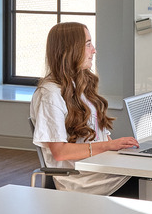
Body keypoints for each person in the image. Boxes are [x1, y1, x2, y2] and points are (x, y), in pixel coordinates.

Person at [28, 21, 140, 196]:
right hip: (84, 182)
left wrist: (119, 148)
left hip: (102, 170)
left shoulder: (80, 83)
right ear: (69, 50)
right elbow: (60, 152)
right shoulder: (50, 94)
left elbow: (98, 134)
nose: (94, 50)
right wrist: (109, 146)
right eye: (88, 45)